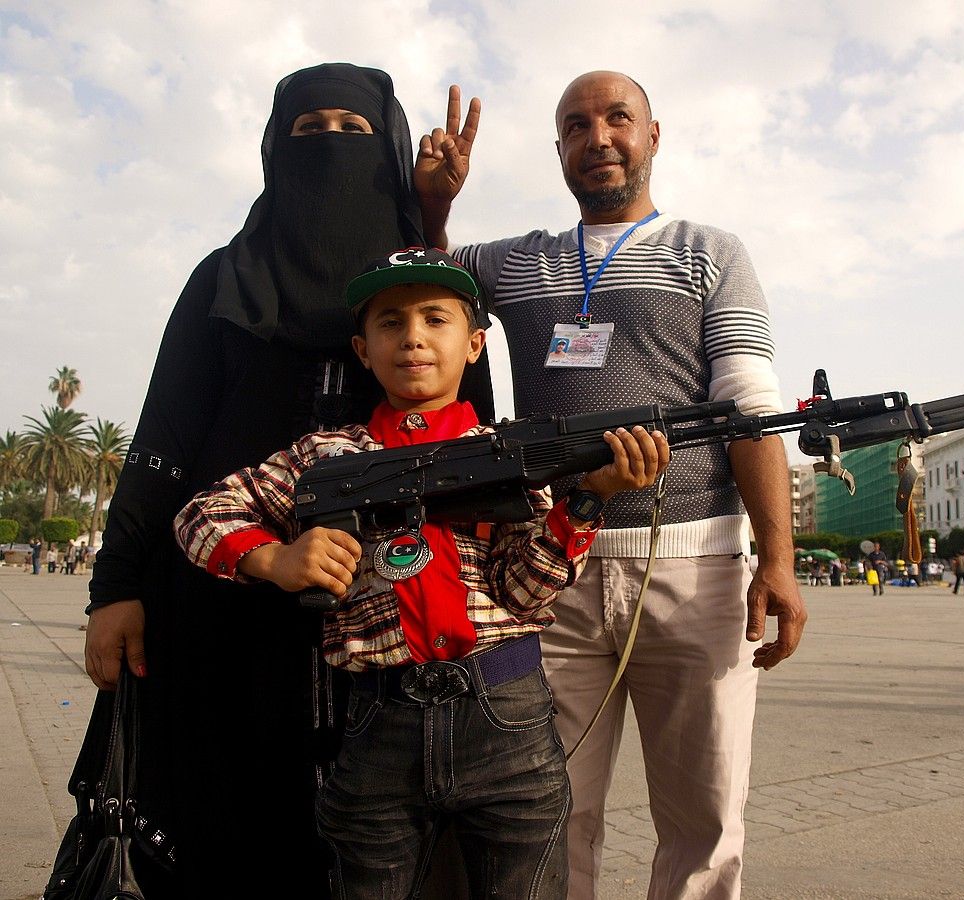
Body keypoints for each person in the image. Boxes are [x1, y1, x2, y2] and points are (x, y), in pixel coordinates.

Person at [80, 63, 494, 899]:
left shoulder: (414, 294)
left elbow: (471, 442)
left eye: (355, 131)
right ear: (274, 149)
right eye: (311, 132)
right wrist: (115, 586)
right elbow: (163, 443)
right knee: (222, 829)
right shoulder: (224, 280)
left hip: (383, 619)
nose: (332, 146)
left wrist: (432, 218)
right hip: (218, 599)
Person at [419, 71, 807, 899]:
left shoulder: (710, 253)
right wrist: (436, 208)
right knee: (546, 808)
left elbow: (749, 407)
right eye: (575, 125)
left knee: (705, 820)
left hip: (697, 569)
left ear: (653, 135)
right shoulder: (517, 263)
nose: (598, 137)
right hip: (552, 569)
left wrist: (778, 557)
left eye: (617, 119)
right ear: (558, 150)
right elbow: (419, 287)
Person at [174, 252, 668, 898]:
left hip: (506, 716)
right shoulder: (326, 456)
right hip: (380, 722)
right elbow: (200, 515)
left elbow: (523, 591)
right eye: (390, 323)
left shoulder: (509, 456)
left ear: (474, 345)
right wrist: (278, 561)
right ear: (363, 348)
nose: (412, 336)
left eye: (436, 319)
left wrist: (589, 498)